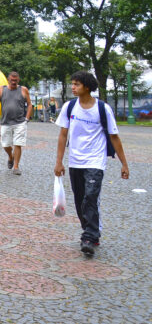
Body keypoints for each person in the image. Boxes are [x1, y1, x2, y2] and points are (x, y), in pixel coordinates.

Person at [54, 71, 130, 256]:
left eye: (77, 84)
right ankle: (91, 232)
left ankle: (89, 237)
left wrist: (124, 164)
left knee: (90, 197)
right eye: (72, 83)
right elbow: (63, 135)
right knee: (80, 200)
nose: (73, 87)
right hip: (75, 161)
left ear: (87, 87)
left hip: (95, 161)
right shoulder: (69, 107)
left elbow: (114, 136)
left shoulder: (103, 109)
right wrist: (59, 162)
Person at [0, 70, 32, 175]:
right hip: (6, 122)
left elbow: (30, 104)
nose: (13, 82)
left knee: (18, 144)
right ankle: (10, 156)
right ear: (8, 80)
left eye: (15, 80)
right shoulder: (2, 89)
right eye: (12, 80)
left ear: (18, 80)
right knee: (5, 145)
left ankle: (16, 167)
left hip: (20, 122)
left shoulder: (23, 90)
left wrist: (27, 118)